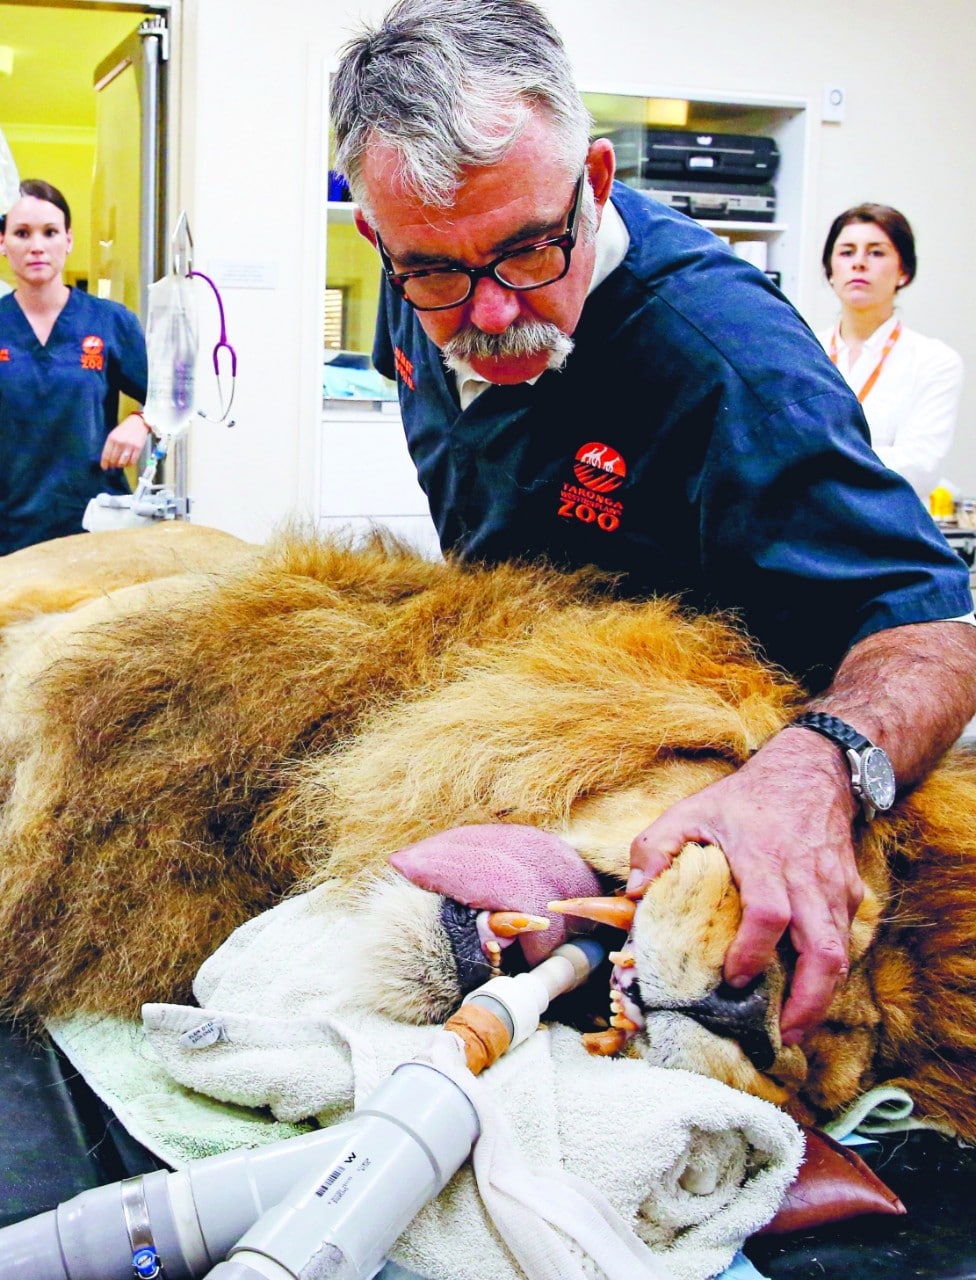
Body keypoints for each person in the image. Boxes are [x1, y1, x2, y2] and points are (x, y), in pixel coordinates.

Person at [329, 0, 976, 1047]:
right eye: (439, 273)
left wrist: (815, 768)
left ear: (591, 183)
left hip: (728, 785)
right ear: (380, 240)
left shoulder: (728, 365)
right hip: (549, 726)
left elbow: (934, 634)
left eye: (532, 250)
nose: (492, 315)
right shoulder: (417, 289)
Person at [0, 179, 150, 554]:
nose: (37, 246)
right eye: (22, 233)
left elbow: (174, 399)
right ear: (3, 244)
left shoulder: (110, 322)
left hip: (93, 527)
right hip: (10, 530)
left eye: (49, 232)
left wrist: (141, 421)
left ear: (68, 239)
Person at [818, 202, 964, 504]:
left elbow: (918, 468)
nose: (859, 263)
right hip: (807, 531)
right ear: (830, 271)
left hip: (887, 535)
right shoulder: (804, 353)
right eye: (847, 252)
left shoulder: (934, 361)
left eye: (876, 252)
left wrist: (817, 458)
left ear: (904, 272)